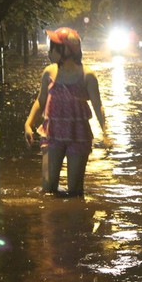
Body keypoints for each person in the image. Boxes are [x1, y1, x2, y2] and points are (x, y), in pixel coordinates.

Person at [24, 27, 109, 196]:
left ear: (66, 51)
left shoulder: (87, 76)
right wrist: (28, 124)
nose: (49, 52)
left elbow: (97, 106)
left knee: (75, 190)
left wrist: (105, 133)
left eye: (53, 48)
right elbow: (40, 101)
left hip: (78, 136)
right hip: (52, 133)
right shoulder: (49, 72)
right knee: (48, 188)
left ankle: (75, 220)